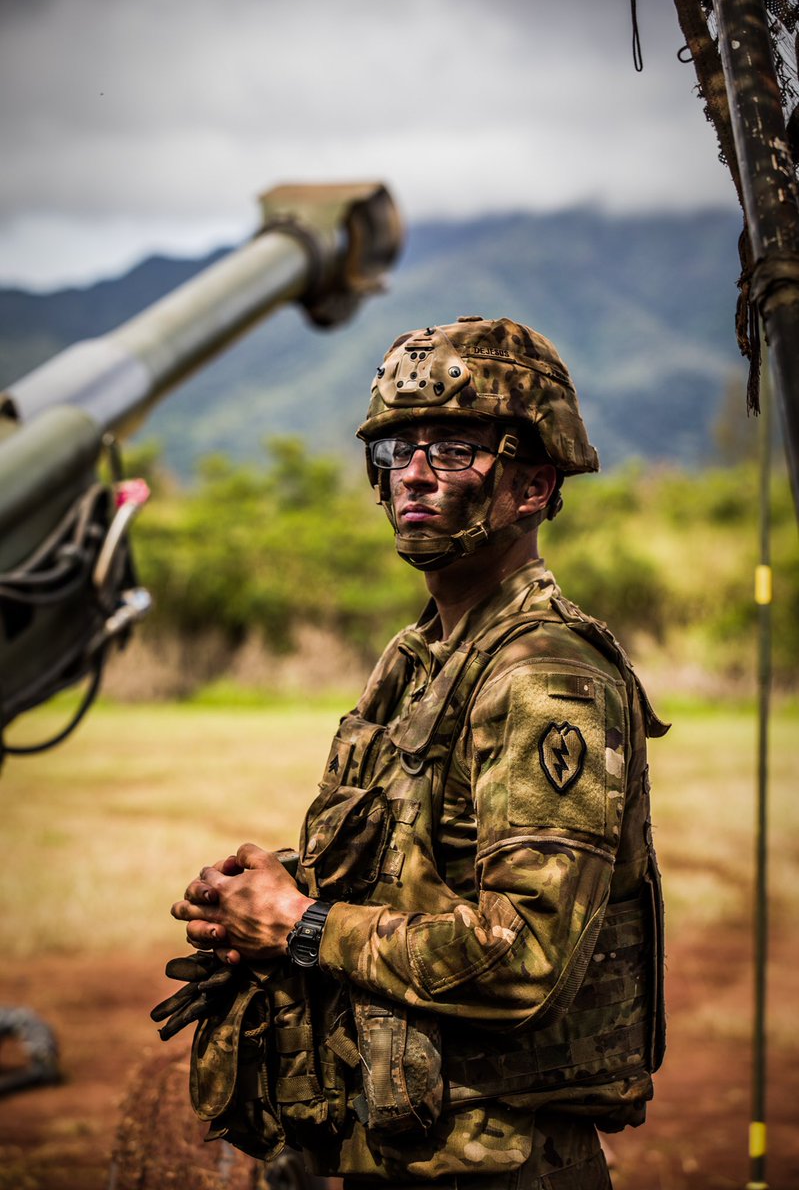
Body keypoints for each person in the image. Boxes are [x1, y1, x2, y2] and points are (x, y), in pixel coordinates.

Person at [168, 316, 668, 1189]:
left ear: (533, 487)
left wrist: (301, 926)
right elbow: (412, 869)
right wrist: (266, 892)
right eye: (397, 450)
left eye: (455, 449)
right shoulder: (420, 656)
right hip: (395, 1137)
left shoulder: (544, 676)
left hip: (495, 1159)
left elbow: (524, 958)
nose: (415, 474)